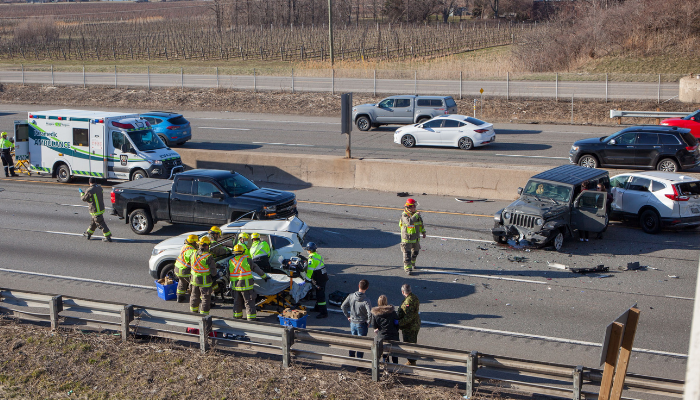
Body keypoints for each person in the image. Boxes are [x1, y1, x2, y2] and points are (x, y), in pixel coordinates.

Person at [229, 243, 269, 320]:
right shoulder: (247, 259)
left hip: (235, 286)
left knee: (237, 302)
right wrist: (264, 276)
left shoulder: (231, 261)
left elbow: (228, 273)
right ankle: (251, 318)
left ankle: (237, 317)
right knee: (249, 302)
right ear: (243, 251)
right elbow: (256, 269)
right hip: (246, 286)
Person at [341, 279, 372, 359]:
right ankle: (359, 362)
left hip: (352, 322)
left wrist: (348, 316)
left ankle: (351, 358)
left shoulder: (351, 296)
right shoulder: (366, 300)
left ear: (358, 286)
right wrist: (368, 321)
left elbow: (343, 306)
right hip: (362, 324)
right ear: (367, 288)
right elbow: (370, 312)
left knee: (353, 341)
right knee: (361, 344)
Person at [190, 236, 216, 315]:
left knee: (194, 296)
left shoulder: (193, 253)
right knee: (205, 298)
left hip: (194, 280)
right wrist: (214, 276)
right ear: (206, 246)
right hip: (204, 282)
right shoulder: (208, 256)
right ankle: (204, 315)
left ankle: (193, 312)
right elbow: (213, 271)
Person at [370, 295, 400, 364]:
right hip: (393, 335)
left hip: (382, 336)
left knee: (385, 354)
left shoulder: (375, 313)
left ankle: (386, 369)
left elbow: (374, 325)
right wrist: (395, 330)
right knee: (394, 354)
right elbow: (397, 323)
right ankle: (395, 368)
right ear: (386, 302)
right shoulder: (392, 312)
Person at [80, 177, 112, 242]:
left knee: (100, 223)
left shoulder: (90, 190)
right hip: (100, 209)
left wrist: (82, 194)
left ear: (89, 182)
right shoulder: (100, 188)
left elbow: (84, 199)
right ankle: (89, 233)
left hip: (95, 210)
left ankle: (108, 236)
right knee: (93, 223)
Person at [399, 198, 426, 275]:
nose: (415, 208)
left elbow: (420, 224)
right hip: (407, 239)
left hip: (415, 239)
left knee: (415, 252)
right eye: (414, 206)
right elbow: (409, 222)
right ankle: (408, 268)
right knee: (407, 254)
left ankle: (413, 263)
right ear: (409, 207)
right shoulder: (404, 215)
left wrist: (423, 232)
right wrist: (416, 215)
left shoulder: (416, 215)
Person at [304, 242, 329, 319]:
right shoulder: (318, 256)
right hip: (323, 277)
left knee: (320, 296)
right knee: (319, 293)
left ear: (309, 250)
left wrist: (306, 279)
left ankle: (324, 313)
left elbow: (310, 271)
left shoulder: (311, 259)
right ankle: (317, 308)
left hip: (319, 278)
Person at [398, 284, 420, 366]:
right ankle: (411, 360)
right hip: (415, 324)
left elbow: (408, 317)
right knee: (412, 342)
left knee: (409, 344)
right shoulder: (414, 297)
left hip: (410, 327)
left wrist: (399, 323)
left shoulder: (408, 302)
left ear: (403, 292)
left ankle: (412, 361)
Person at [175, 234, 199, 303]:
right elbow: (194, 262)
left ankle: (179, 297)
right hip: (184, 270)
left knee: (182, 282)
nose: (197, 244)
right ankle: (195, 298)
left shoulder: (185, 247)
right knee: (193, 284)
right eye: (196, 243)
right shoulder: (192, 251)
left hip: (177, 269)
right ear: (193, 243)